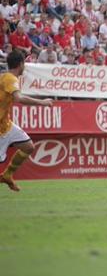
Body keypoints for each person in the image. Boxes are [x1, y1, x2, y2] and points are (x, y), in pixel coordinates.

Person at [0, 51, 54, 192]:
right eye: (24, 63)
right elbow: (19, 98)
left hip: (6, 124)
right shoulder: (10, 78)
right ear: (21, 64)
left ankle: (7, 175)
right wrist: (42, 103)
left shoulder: (6, 77)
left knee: (28, 146)